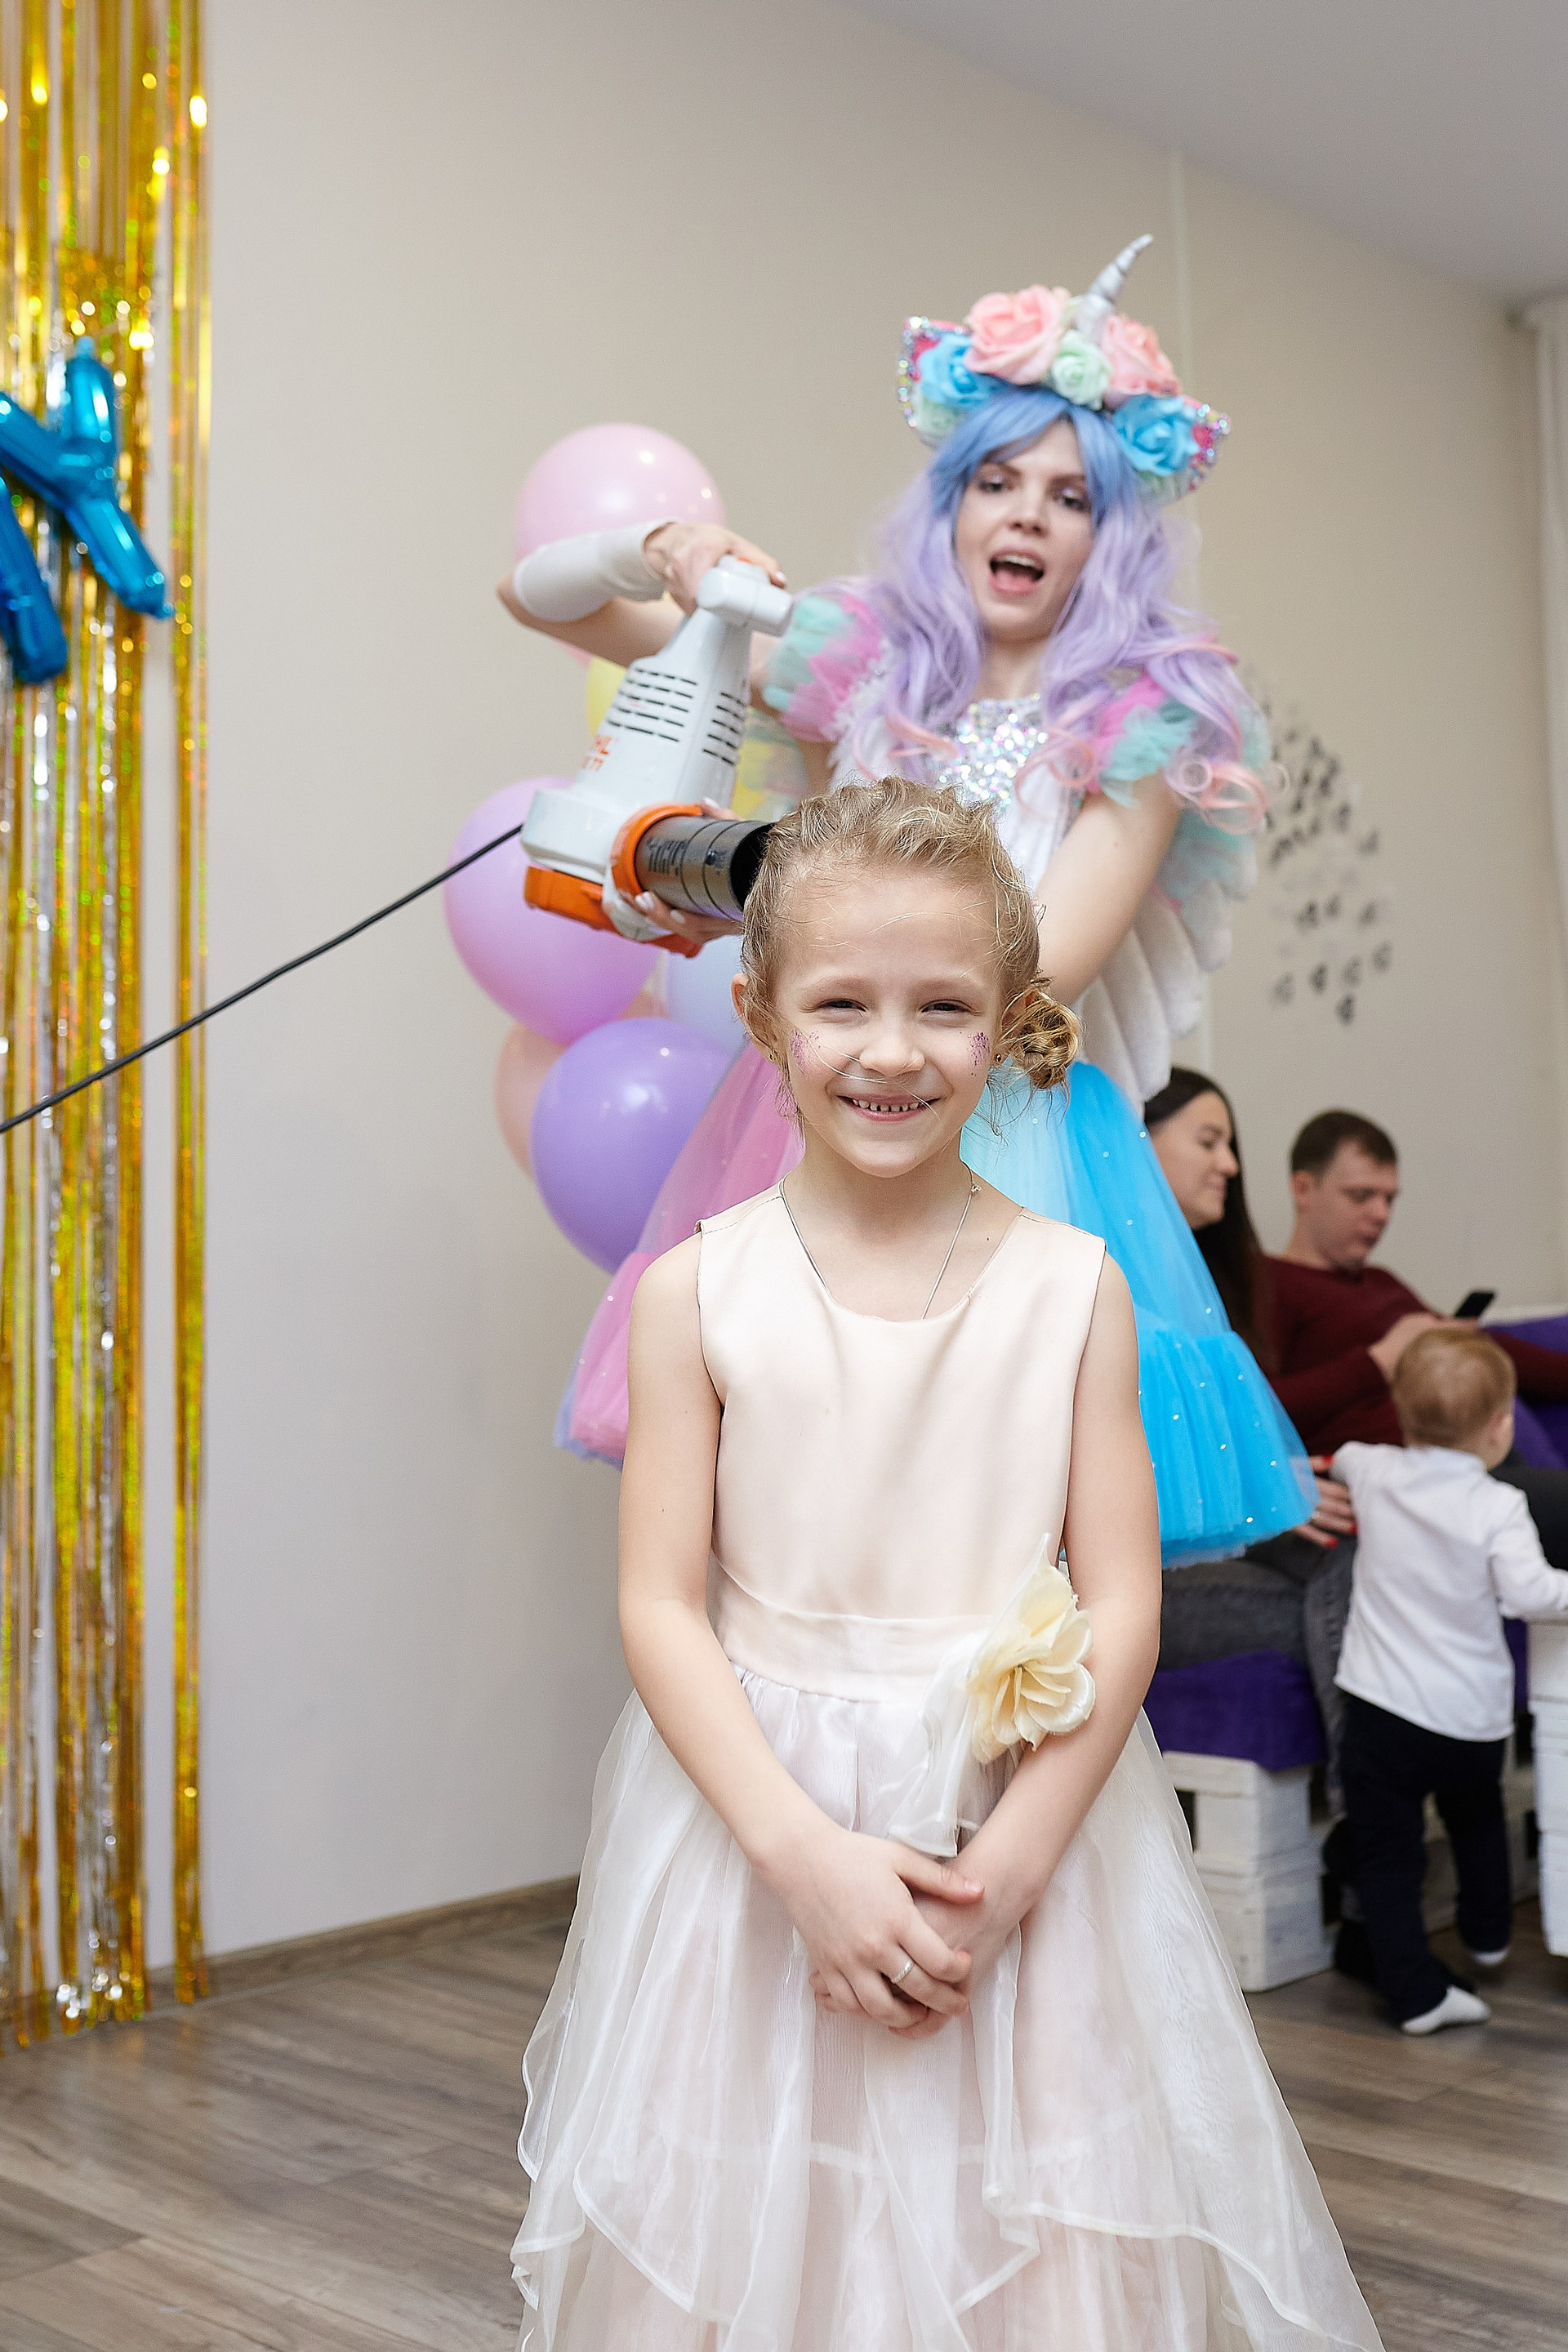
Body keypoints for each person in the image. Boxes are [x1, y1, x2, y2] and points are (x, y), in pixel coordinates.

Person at [510, 779, 1381, 2350]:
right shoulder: (694, 1293)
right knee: (754, 2237)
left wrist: (1013, 1872)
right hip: (756, 1839)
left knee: (1036, 2250)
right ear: (761, 1016)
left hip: (1020, 1826)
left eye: (943, 1006)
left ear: (1011, 1020)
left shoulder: (1076, 1288)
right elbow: (659, 1603)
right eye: (843, 1003)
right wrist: (800, 1856)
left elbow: (1122, 1600)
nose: (894, 1051)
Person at [505, 237, 1313, 1565]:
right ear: (952, 502)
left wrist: (811, 912)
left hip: (1021, 1133)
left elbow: (1041, 961)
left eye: (1069, 496)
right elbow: (552, 608)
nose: (1026, 516)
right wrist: (659, 546)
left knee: (991, 1539)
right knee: (800, 1515)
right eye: (996, 481)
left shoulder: (1147, 716)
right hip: (816, 1116)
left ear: (1110, 536)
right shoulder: (861, 663)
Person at [1330, 1328, 1568, 2034]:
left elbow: (1327, 1460)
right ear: (1500, 1428)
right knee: (1477, 1819)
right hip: (1467, 1717)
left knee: (1388, 1856)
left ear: (1400, 1416)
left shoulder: (1369, 1467)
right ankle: (1488, 1933)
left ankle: (1416, 1995)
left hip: (1377, 1708)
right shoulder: (1498, 1506)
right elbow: (1530, 1594)